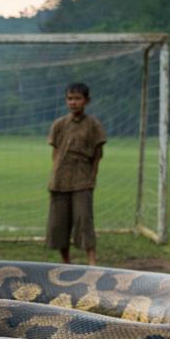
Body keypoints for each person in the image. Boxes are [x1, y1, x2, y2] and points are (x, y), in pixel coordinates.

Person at [46, 82, 106, 265]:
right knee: (59, 224)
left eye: (77, 99)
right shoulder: (59, 124)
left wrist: (92, 178)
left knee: (84, 221)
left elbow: (98, 155)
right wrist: (56, 172)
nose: (73, 102)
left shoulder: (93, 125)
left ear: (86, 101)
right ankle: (66, 262)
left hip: (82, 180)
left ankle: (92, 262)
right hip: (60, 181)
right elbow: (55, 152)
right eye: (70, 99)